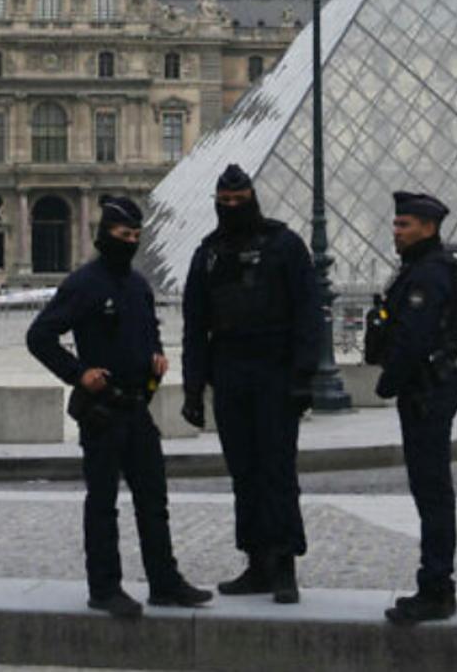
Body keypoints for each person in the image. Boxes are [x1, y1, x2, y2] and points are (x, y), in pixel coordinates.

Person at [26, 196, 212, 619]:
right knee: (103, 502)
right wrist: (77, 373)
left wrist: (157, 357)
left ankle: (164, 582)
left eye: (135, 236)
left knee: (154, 499)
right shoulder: (83, 283)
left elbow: (149, 332)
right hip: (102, 409)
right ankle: (104, 587)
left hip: (136, 406)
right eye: (122, 235)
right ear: (104, 234)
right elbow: (39, 336)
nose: (129, 242)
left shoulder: (139, 284)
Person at [180, 164, 321, 605]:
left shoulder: (285, 245)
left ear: (253, 199)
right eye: (225, 203)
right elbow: (194, 326)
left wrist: (303, 377)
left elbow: (308, 315)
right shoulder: (208, 254)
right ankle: (256, 561)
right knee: (244, 472)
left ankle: (284, 564)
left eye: (239, 202)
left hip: (275, 370)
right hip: (231, 370)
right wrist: (192, 389)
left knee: (277, 469)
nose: (232, 209)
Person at [368, 191, 457, 625]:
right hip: (428, 387)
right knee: (429, 489)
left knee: (431, 491)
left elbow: (413, 339)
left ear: (428, 227)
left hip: (426, 389)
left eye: (403, 225)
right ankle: (435, 582)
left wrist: (387, 383)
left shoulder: (428, 275)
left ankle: (437, 587)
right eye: (395, 224)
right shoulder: (423, 269)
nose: (396, 231)